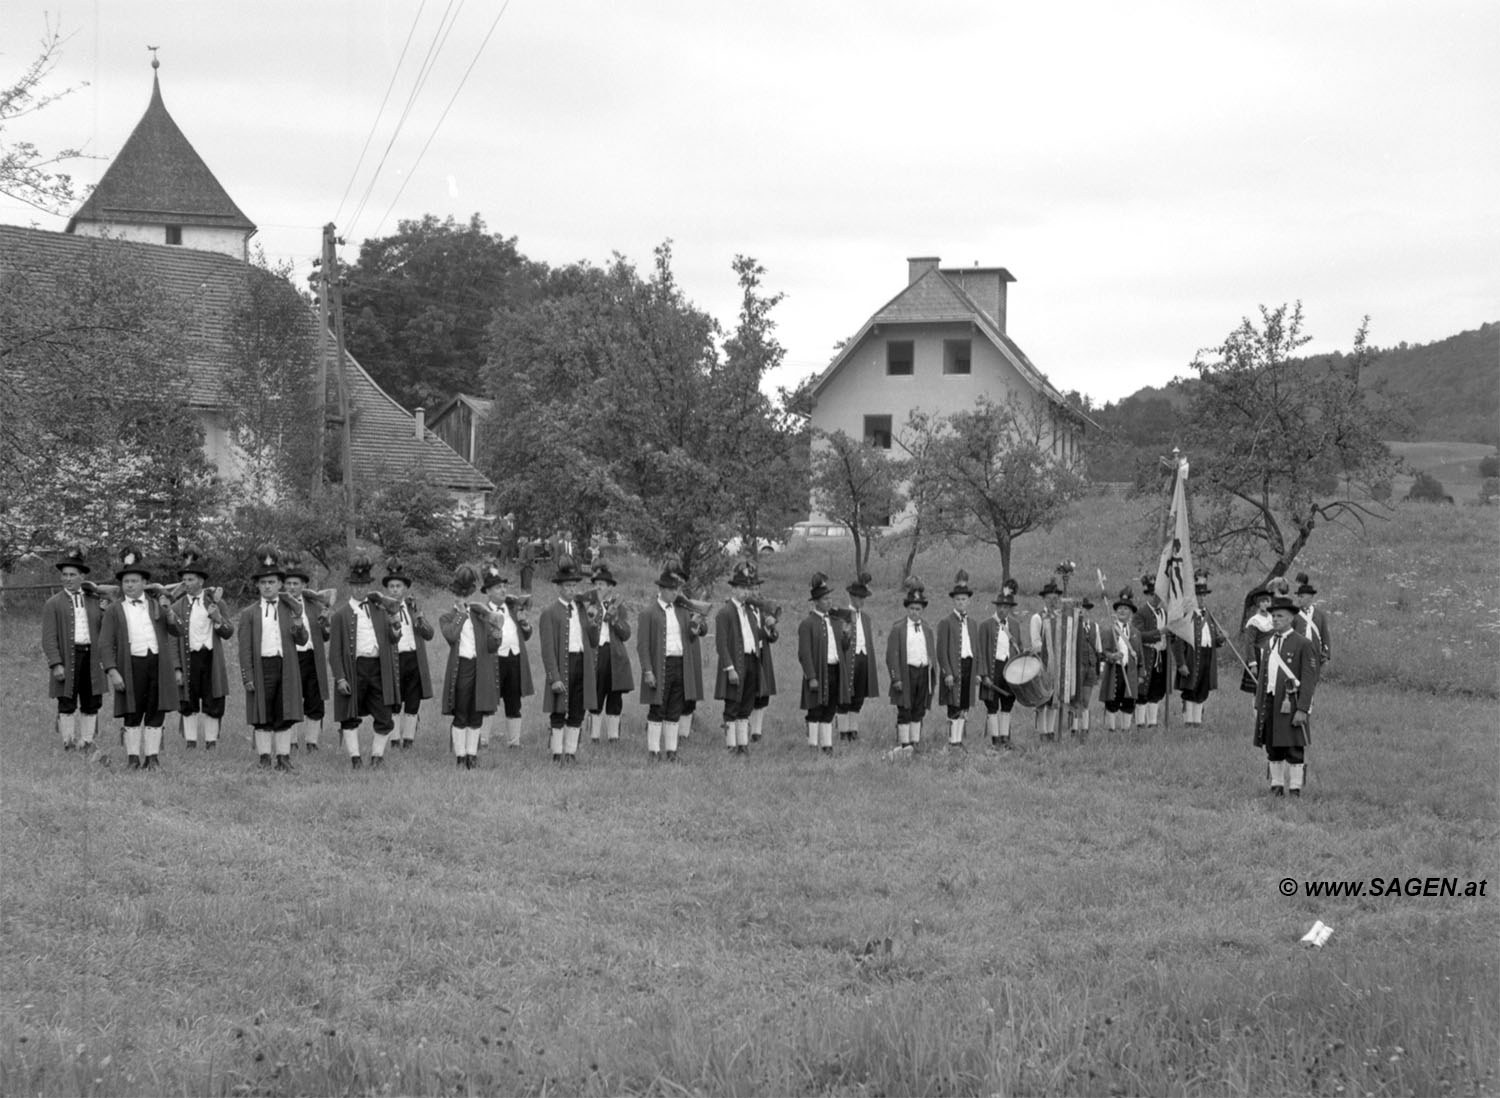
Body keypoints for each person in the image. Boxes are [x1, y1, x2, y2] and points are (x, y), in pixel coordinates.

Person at [99, 547, 181, 771]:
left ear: (144, 582)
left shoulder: (157, 606)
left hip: (156, 663)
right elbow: (105, 643)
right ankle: (133, 758)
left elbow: (177, 631)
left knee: (156, 710)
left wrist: (170, 612)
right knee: (133, 712)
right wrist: (112, 670)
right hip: (131, 665)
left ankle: (152, 758)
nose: (130, 585)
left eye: (135, 581)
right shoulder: (115, 610)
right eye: (126, 581)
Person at [238, 549, 309, 770]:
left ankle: (284, 758)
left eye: (272, 582)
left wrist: (298, 621)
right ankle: (264, 758)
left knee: (284, 711)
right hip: (262, 666)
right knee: (263, 714)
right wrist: (247, 675)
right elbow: (244, 648)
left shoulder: (291, 609)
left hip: (285, 666)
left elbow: (302, 639)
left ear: (281, 584)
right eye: (263, 582)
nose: (267, 586)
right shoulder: (249, 613)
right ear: (257, 586)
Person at [329, 556, 401, 769]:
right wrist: (340, 677)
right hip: (354, 669)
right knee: (350, 716)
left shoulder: (380, 610)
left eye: (364, 585)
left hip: (378, 668)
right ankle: (355, 758)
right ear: (350, 586)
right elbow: (334, 653)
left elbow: (392, 639)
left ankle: (377, 757)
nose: (360, 590)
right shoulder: (340, 615)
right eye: (356, 585)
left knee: (385, 717)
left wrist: (395, 626)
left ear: (370, 586)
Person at [41, 545, 109, 755]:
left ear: (82, 577)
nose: (68, 579)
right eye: (64, 575)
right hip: (68, 657)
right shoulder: (53, 603)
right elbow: (48, 638)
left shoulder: (95, 600)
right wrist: (56, 663)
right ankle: (68, 742)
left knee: (91, 700)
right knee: (67, 700)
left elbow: (106, 630)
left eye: (72, 575)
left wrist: (106, 610)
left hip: (91, 656)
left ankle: (86, 742)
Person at [1254, 592, 1321, 797]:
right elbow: (1264, 678)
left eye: (1280, 616)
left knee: (1293, 747)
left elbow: (1309, 680)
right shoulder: (1268, 643)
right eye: (1273, 616)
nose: (1275, 619)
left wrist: (1302, 708)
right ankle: (1276, 785)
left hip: (1291, 703)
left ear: (1291, 618)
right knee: (1273, 746)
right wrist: (1258, 705)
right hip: (1271, 702)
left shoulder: (1303, 644)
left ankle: (1295, 788)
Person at [438, 564, 502, 769]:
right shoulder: (447, 617)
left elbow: (491, 647)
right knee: (461, 711)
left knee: (476, 713)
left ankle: (472, 756)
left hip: (479, 667)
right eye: (457, 594)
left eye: (464, 594)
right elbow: (450, 635)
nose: (461, 598)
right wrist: (461, 613)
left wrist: (496, 634)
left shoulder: (481, 615)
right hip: (462, 667)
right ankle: (460, 755)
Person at [170, 549, 233, 750]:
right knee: (188, 701)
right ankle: (190, 741)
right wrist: (177, 668)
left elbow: (228, 631)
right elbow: (173, 638)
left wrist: (217, 619)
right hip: (189, 658)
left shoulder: (216, 602)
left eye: (191, 579)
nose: (187, 583)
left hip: (211, 658)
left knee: (213, 699)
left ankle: (211, 741)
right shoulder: (178, 606)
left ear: (201, 582)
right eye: (185, 579)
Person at [637, 569, 699, 762]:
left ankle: (672, 752)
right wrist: (648, 670)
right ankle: (654, 751)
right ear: (662, 589)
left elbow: (693, 634)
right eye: (672, 589)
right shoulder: (649, 612)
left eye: (677, 589)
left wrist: (697, 625)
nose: (675, 593)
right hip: (661, 664)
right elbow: (643, 645)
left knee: (675, 709)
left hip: (680, 662)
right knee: (657, 708)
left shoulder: (682, 611)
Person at [538, 554, 594, 764]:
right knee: (559, 709)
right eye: (568, 586)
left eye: (574, 586)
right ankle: (556, 752)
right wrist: (554, 677)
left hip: (581, 662)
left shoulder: (581, 610)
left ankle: (570, 753)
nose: (572, 589)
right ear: (559, 588)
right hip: (563, 663)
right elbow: (547, 649)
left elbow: (593, 640)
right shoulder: (550, 613)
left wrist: (592, 620)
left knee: (578, 709)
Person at [477, 566, 534, 749]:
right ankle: (483, 740)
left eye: (503, 587)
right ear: (488, 592)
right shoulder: (483, 612)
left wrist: (525, 624)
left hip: (514, 658)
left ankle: (514, 742)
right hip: (494, 659)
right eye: (497, 588)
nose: (502, 590)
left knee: (514, 701)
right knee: (489, 701)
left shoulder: (512, 609)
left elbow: (525, 635)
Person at [382, 558, 434, 750]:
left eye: (398, 586)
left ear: (404, 588)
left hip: (413, 657)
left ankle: (409, 738)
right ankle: (394, 738)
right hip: (394, 658)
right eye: (392, 586)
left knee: (413, 700)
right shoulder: (382, 609)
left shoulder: (413, 607)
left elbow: (429, 634)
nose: (395, 589)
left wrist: (420, 618)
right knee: (395, 700)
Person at [715, 561, 766, 755]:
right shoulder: (725, 612)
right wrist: (729, 668)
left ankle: (742, 744)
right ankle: (731, 744)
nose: (745, 592)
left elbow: (754, 634)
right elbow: (721, 643)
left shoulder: (749, 611)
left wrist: (767, 632)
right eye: (742, 588)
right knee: (732, 705)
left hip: (751, 659)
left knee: (746, 704)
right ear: (734, 589)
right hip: (736, 662)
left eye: (747, 588)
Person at [282, 559, 331, 752]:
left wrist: (326, 624)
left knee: (315, 699)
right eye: (289, 583)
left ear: (304, 586)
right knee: (292, 698)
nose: (292, 587)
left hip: (312, 658)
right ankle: (291, 741)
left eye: (296, 583)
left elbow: (325, 636)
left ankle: (312, 742)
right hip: (291, 658)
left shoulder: (314, 606)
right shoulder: (281, 606)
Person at [586, 564, 634, 745]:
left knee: (615, 698)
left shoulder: (618, 606)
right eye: (596, 583)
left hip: (615, 656)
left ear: (610, 587)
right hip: (596, 655)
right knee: (596, 695)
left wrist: (614, 619)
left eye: (602, 584)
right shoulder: (589, 606)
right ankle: (594, 736)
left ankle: (614, 737)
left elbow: (626, 634)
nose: (599, 587)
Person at [886, 579, 936, 755]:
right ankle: (904, 743)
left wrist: (931, 669)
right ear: (907, 609)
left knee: (918, 709)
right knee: (905, 708)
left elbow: (930, 651)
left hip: (922, 672)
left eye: (918, 609)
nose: (915, 612)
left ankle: (915, 742)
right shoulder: (898, 629)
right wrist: (896, 678)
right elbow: (891, 656)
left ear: (922, 610)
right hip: (906, 673)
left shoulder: (927, 629)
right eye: (912, 609)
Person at [798, 572, 843, 755]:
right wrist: (811, 676)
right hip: (818, 671)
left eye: (830, 598)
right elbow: (804, 653)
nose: (829, 602)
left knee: (830, 708)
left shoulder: (834, 622)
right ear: (816, 602)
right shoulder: (807, 624)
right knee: (816, 709)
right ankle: (813, 745)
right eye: (825, 599)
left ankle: (827, 745)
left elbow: (841, 647)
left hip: (834, 668)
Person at [977, 582, 1022, 749]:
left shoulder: (1015, 626)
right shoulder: (986, 625)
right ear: (997, 607)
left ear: (1010, 608)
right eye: (1000, 606)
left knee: (1008, 703)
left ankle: (1005, 739)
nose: (1003, 609)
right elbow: (980, 651)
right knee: (992, 705)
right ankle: (995, 740)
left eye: (1006, 607)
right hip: (992, 668)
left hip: (1009, 669)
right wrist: (984, 675)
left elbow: (1019, 648)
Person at [835, 573, 880, 744]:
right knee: (845, 697)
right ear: (852, 597)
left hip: (863, 659)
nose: (862, 601)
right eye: (859, 598)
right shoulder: (842, 615)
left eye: (864, 598)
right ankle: (843, 732)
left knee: (858, 698)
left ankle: (853, 731)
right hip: (848, 659)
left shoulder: (866, 618)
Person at [1174, 577, 1225, 727]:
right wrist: (1181, 663)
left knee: (1202, 688)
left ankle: (1197, 722)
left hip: (1207, 655)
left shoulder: (1209, 615)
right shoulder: (1186, 615)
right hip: (1191, 656)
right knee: (1191, 688)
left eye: (1203, 595)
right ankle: (1188, 721)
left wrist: (1220, 639)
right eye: (1198, 595)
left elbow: (1212, 639)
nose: (1201, 598)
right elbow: (1178, 642)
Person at [1099, 588, 1143, 732]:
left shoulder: (1136, 633)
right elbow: (1103, 651)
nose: (1122, 611)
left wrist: (1141, 673)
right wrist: (1112, 656)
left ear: (1130, 612)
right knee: (1113, 699)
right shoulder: (1109, 630)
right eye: (1120, 609)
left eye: (1125, 608)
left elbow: (1139, 655)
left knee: (1129, 700)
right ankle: (1111, 729)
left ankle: (1125, 730)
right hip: (1115, 670)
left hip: (1130, 671)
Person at [1028, 579, 1067, 741]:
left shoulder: (1061, 618)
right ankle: (1042, 732)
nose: (1053, 602)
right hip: (1042, 664)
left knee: (1054, 700)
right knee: (1042, 700)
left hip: (1057, 665)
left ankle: (1051, 732)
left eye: (1055, 599)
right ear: (1044, 599)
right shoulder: (1037, 618)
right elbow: (1035, 643)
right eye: (1050, 599)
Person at [1133, 574, 1168, 727]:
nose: (1156, 598)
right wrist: (1159, 633)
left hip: (1161, 654)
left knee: (1157, 687)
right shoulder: (1141, 613)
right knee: (1143, 689)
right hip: (1147, 654)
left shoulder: (1164, 612)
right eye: (1153, 595)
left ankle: (1152, 722)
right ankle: (1140, 722)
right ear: (1148, 595)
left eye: (1158, 595)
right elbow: (1139, 635)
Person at [1069, 596, 1103, 741]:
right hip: (1077, 666)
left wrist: (1099, 668)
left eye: (1086, 609)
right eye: (1081, 609)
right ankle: (1074, 729)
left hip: (1090, 666)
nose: (1084, 612)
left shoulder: (1094, 627)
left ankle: (1085, 728)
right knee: (1076, 700)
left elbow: (1098, 648)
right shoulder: (1073, 626)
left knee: (1086, 700)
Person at [1238, 584, 1274, 695]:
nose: (1265, 604)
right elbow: (1249, 644)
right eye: (1262, 601)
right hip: (1258, 656)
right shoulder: (1254, 621)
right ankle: (1256, 712)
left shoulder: (1274, 618)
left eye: (1267, 601)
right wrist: (1253, 664)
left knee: (1270, 687)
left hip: (1272, 656)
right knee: (1257, 690)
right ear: (1258, 603)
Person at [1293, 572, 1332, 668]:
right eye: (1299, 596)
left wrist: (1325, 653)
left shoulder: (1320, 615)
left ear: (1310, 597)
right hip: (1298, 652)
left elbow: (1325, 635)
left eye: (1302, 596)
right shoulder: (1294, 614)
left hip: (1314, 653)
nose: (1299, 599)